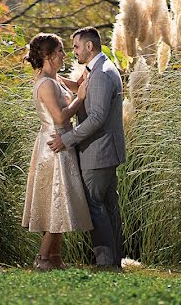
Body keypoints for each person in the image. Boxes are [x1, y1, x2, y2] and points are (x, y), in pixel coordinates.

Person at [48, 26, 126, 269]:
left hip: (98, 151)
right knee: (108, 207)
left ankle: (105, 263)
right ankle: (114, 260)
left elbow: (96, 118)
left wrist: (67, 139)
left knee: (96, 206)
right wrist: (52, 76)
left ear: (89, 46)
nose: (74, 52)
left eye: (77, 47)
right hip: (105, 150)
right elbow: (80, 88)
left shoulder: (101, 73)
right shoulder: (98, 68)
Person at [22, 33, 93, 270]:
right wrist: (80, 99)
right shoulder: (46, 84)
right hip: (54, 145)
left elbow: (74, 84)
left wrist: (86, 75)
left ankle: (55, 258)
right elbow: (60, 116)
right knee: (58, 201)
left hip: (60, 143)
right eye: (61, 50)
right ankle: (42, 258)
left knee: (59, 200)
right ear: (49, 55)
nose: (65, 55)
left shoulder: (54, 79)